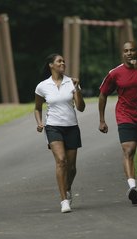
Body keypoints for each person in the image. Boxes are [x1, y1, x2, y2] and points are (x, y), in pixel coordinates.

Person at [98, 41, 137, 205]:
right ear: (122, 53)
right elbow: (103, 94)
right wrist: (102, 119)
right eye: (126, 51)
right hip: (125, 115)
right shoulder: (115, 73)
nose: (129, 53)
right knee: (129, 149)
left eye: (132, 50)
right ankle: (132, 187)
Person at [34, 53, 85, 213]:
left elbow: (81, 107)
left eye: (64, 60)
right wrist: (39, 122)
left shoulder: (72, 82)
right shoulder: (42, 86)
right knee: (61, 161)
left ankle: (67, 188)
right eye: (59, 61)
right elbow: (37, 108)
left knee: (71, 168)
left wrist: (76, 88)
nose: (63, 63)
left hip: (71, 127)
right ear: (51, 65)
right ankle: (64, 200)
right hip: (53, 127)